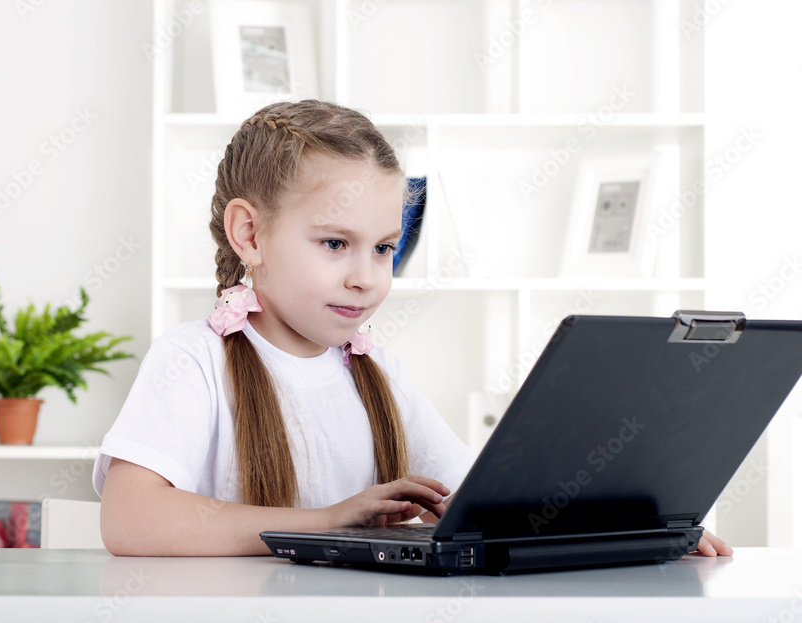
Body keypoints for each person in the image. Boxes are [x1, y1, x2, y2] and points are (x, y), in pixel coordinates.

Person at [94, 99, 732, 559]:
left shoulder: (377, 372)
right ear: (250, 234)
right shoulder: (194, 359)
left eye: (383, 249)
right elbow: (130, 518)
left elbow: (481, 500)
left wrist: (630, 529)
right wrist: (322, 523)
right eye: (336, 243)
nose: (366, 278)